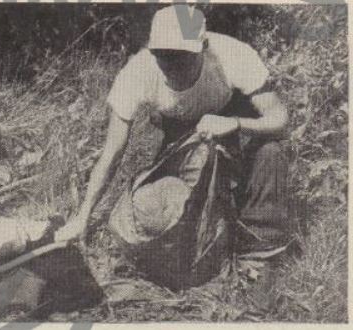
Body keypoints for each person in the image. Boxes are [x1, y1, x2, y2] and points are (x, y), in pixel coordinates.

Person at [55, 5, 291, 276]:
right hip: (181, 129)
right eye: (162, 55)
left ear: (203, 46)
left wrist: (234, 124)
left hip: (235, 116)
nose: (171, 65)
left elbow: (280, 118)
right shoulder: (138, 72)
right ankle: (219, 231)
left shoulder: (232, 55)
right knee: (177, 200)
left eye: (181, 56)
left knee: (271, 152)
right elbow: (112, 153)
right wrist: (82, 217)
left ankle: (260, 254)